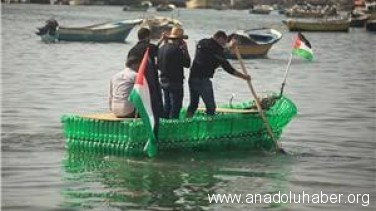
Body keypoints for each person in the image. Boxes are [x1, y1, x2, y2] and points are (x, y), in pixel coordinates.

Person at [186, 30, 250, 117]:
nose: (224, 43)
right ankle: (209, 127)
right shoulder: (211, 47)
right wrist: (244, 76)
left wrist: (227, 48)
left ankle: (188, 120)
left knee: (193, 105)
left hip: (192, 78)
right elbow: (228, 69)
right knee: (211, 107)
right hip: (202, 80)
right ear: (219, 38)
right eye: (224, 41)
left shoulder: (203, 42)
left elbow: (217, 55)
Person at [158, 27, 191, 119]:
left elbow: (158, 65)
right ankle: (172, 127)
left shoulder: (161, 49)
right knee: (175, 108)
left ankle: (165, 126)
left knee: (167, 106)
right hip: (175, 83)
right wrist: (185, 50)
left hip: (163, 81)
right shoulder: (177, 50)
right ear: (180, 39)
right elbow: (187, 64)